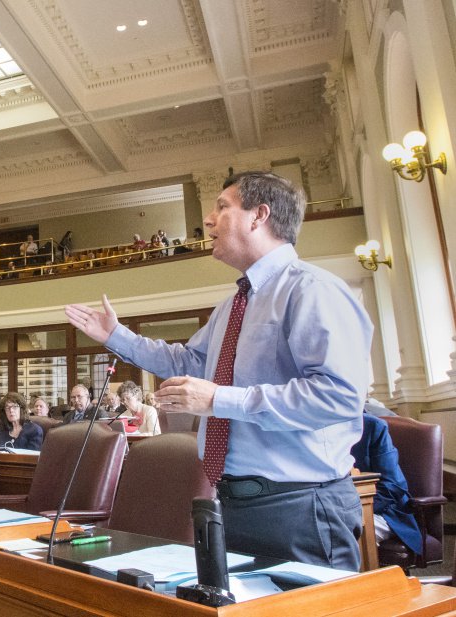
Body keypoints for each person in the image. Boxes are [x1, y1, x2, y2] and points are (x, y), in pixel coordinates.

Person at [66, 171, 372, 570]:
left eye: (222, 207)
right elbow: (191, 363)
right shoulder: (233, 304)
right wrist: (118, 336)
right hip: (232, 501)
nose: (208, 220)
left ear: (258, 216)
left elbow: (339, 396)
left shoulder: (313, 290)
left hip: (300, 507)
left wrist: (218, 399)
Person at [350, 413, 421, 554]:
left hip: (382, 510)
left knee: (342, 535)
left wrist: (353, 509)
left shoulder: (372, 426)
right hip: (335, 509)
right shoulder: (313, 427)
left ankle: (364, 576)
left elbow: (393, 484)